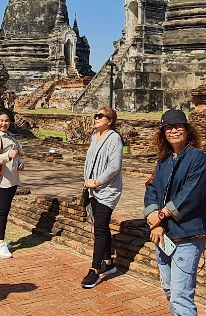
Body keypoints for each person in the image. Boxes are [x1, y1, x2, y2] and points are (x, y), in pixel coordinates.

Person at [143, 109, 206, 316]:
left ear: (187, 130)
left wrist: (162, 215)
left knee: (181, 295)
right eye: (169, 127)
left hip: (188, 234)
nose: (174, 130)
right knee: (169, 289)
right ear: (163, 132)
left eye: (178, 126)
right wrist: (155, 220)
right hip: (164, 235)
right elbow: (152, 188)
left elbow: (192, 193)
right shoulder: (163, 161)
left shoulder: (197, 158)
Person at [81, 106, 124, 288]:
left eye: (101, 116)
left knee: (99, 228)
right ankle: (108, 262)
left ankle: (95, 270)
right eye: (95, 115)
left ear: (110, 120)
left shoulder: (114, 138)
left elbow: (114, 166)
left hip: (107, 190)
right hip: (92, 190)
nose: (96, 118)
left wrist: (97, 181)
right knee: (101, 225)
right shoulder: (94, 137)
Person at [0, 108, 23, 259]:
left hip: (11, 179)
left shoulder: (10, 137)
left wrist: (19, 162)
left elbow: (18, 154)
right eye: (1, 120)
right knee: (1, 211)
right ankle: (0, 243)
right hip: (0, 180)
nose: (4, 123)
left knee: (3, 210)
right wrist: (8, 155)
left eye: (7, 120)